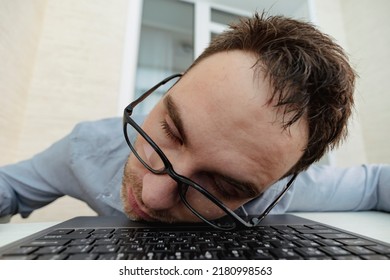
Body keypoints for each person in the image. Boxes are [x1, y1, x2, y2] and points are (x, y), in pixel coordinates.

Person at [0, 13, 389, 227]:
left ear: (273, 184)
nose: (151, 198)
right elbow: (11, 187)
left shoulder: (280, 192)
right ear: (165, 92)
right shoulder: (85, 149)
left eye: (221, 184)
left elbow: (375, 185)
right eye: (169, 131)